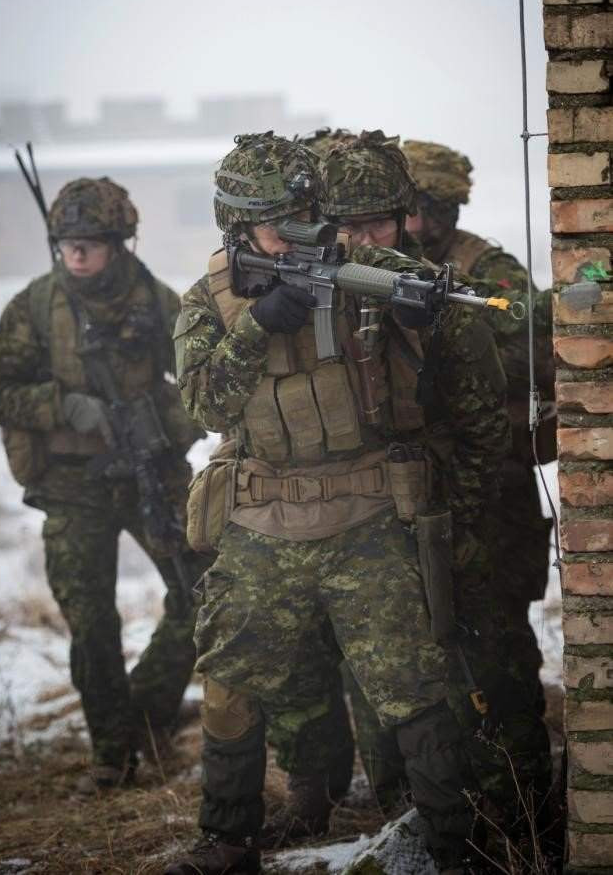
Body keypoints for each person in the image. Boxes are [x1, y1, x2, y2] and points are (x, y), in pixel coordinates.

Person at [167, 131, 511, 874]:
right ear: (238, 224)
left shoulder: (365, 269)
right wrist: (258, 326)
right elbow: (201, 402)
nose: (299, 235)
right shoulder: (211, 300)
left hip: (363, 514)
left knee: (415, 683)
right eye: (278, 225)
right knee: (231, 676)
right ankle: (228, 838)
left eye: (307, 216)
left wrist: (429, 316)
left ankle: (456, 839)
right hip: (265, 519)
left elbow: (451, 331)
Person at [0, 177, 204, 792]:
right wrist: (62, 406)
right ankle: (112, 754)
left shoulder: (159, 303)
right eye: (67, 243)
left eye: (91, 242)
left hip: (149, 471)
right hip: (73, 483)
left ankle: (148, 711)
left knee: (204, 587)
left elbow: (204, 385)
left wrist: (163, 424)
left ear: (120, 243)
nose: (76, 254)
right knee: (92, 621)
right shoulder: (35, 307)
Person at [402, 139, 555, 705]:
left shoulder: (484, 266)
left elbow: (537, 340)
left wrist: (458, 323)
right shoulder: (380, 264)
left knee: (500, 633)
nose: (411, 223)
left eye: (421, 209)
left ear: (445, 211)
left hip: (497, 475)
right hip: (427, 477)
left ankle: (518, 773)